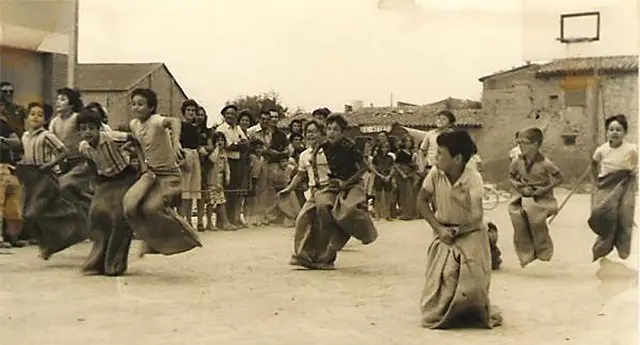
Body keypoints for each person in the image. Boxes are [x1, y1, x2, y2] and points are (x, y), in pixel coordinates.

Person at [416, 130, 502, 329]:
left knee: (471, 285)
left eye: (440, 154)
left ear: (457, 158)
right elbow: (421, 200)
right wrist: (438, 229)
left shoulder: (473, 179)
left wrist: (456, 232)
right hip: (443, 231)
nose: (435, 158)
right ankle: (448, 314)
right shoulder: (435, 174)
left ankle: (469, 313)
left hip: (470, 233)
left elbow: (477, 217)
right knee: (442, 282)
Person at [122, 88, 201, 256]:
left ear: (151, 108)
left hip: (169, 175)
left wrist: (175, 142)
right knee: (129, 206)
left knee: (151, 208)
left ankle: (187, 236)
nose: (136, 108)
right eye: (133, 104)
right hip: (149, 174)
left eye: (141, 104)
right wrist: (142, 163)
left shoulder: (156, 121)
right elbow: (138, 144)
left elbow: (175, 121)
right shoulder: (134, 124)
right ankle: (149, 239)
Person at [16, 102, 86, 260]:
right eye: (32, 114)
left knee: (33, 213)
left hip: (46, 178)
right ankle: (51, 240)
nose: (36, 117)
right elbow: (26, 155)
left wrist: (49, 165)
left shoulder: (47, 135)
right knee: (27, 214)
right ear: (27, 117)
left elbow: (64, 152)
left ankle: (51, 242)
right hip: (31, 178)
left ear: (45, 120)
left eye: (40, 115)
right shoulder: (25, 136)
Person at [307, 114, 378, 269]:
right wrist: (313, 156)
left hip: (353, 184)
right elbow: (319, 145)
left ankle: (366, 232)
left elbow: (365, 168)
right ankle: (323, 252)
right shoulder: (325, 143)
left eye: (336, 130)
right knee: (321, 207)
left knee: (347, 211)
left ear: (343, 132)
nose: (331, 133)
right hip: (335, 183)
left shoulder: (350, 147)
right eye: (329, 129)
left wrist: (346, 183)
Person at [76, 108, 138, 276]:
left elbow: (134, 138)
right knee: (96, 216)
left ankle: (115, 263)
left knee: (119, 218)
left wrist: (131, 151)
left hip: (125, 177)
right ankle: (97, 262)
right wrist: (94, 181)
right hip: (106, 181)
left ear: (99, 128)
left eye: (91, 128)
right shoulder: (83, 147)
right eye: (83, 129)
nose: (87, 132)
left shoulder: (111, 137)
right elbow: (90, 163)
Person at [279, 120, 332, 269]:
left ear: (322, 133)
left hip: (327, 190)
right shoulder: (304, 155)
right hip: (313, 191)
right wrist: (289, 189)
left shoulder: (328, 152)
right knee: (302, 220)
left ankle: (326, 259)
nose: (311, 135)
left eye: (314, 131)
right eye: (308, 132)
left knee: (324, 223)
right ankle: (302, 255)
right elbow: (300, 175)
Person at [508, 126, 564, 268]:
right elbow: (512, 178)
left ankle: (543, 249)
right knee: (518, 219)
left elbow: (559, 179)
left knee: (535, 219)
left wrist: (544, 189)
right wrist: (519, 187)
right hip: (524, 195)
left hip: (542, 198)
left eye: (524, 142)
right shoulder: (517, 162)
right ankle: (526, 253)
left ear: (535, 145)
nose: (520, 145)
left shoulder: (545, 163)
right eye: (518, 142)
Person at [589, 114, 637, 262]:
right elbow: (593, 165)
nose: (614, 132)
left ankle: (622, 249)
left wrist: (635, 172)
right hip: (606, 184)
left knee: (624, 213)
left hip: (625, 183)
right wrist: (595, 182)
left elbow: (636, 164)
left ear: (625, 132)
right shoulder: (601, 150)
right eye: (611, 129)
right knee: (602, 213)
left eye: (619, 129)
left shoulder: (631, 149)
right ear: (607, 132)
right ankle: (603, 247)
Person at [49, 87, 92, 236]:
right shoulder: (54, 122)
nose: (58, 102)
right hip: (62, 163)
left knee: (67, 187)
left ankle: (91, 211)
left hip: (80, 161)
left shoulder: (76, 118)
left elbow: (87, 136)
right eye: (57, 99)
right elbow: (51, 142)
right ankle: (83, 222)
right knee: (71, 193)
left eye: (63, 99)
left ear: (72, 104)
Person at [217, 105, 250, 228]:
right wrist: (237, 144)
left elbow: (246, 143)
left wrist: (236, 145)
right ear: (224, 115)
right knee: (226, 190)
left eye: (233, 114)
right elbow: (227, 146)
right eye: (228, 113)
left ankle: (233, 219)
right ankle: (223, 221)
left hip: (237, 161)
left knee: (234, 191)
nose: (230, 116)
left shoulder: (237, 128)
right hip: (225, 161)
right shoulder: (221, 128)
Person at [0, 98, 25, 249]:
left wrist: (3, 141)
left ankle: (13, 235)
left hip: (7, 167)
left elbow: (16, 142)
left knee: (13, 204)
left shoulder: (4, 125)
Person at [177, 99, 202, 226]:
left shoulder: (195, 128)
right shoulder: (180, 126)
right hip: (184, 155)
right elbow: (176, 144)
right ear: (184, 112)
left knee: (193, 189)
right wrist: (182, 160)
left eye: (193, 110)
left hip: (194, 156)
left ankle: (188, 219)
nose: (191, 113)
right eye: (188, 110)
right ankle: (182, 220)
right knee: (184, 190)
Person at [206, 131, 236, 231]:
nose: (220, 142)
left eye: (222, 140)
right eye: (218, 140)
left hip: (220, 179)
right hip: (212, 179)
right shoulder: (213, 151)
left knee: (221, 201)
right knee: (211, 201)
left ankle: (225, 222)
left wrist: (228, 176)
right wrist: (217, 148)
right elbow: (212, 160)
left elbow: (226, 166)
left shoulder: (224, 153)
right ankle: (209, 223)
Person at [419, 110, 456, 175]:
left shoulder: (453, 135)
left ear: (450, 123)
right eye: (438, 118)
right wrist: (421, 165)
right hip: (430, 168)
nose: (440, 121)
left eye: (444, 119)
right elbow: (422, 150)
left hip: (446, 170)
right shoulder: (430, 134)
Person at [395, 134, 419, 220]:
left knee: (411, 193)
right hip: (402, 173)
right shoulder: (400, 152)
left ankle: (411, 212)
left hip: (410, 173)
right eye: (406, 141)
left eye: (409, 141)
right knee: (404, 194)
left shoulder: (412, 153)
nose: (408, 143)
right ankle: (405, 213)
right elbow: (396, 165)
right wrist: (402, 174)